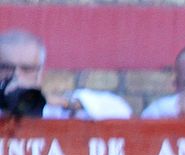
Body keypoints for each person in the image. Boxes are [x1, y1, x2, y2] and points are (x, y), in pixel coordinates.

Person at [0, 28, 130, 119]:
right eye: (5, 68)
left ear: (41, 73)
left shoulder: (53, 110)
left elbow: (121, 111)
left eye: (27, 69)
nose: (16, 76)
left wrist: (67, 103)